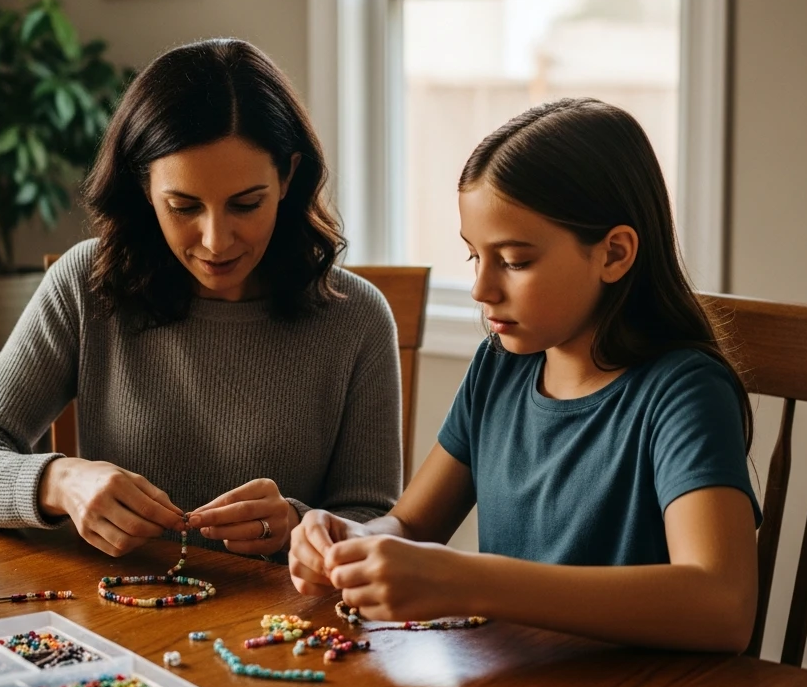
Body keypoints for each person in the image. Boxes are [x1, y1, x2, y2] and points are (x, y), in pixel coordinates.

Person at [289, 97, 761, 653]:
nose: (481, 289)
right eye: (474, 257)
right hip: (518, 684)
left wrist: (468, 581)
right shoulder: (500, 366)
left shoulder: (683, 392)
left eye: (514, 261)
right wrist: (355, 540)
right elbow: (412, 526)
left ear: (614, 254)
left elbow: (722, 606)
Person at [0, 39, 402, 558]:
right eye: (184, 206)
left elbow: (374, 521)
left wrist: (296, 524)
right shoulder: (87, 283)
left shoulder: (357, 317)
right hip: (111, 603)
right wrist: (60, 481)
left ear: (287, 176)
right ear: (144, 186)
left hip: (282, 609)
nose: (216, 241)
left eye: (246, 204)